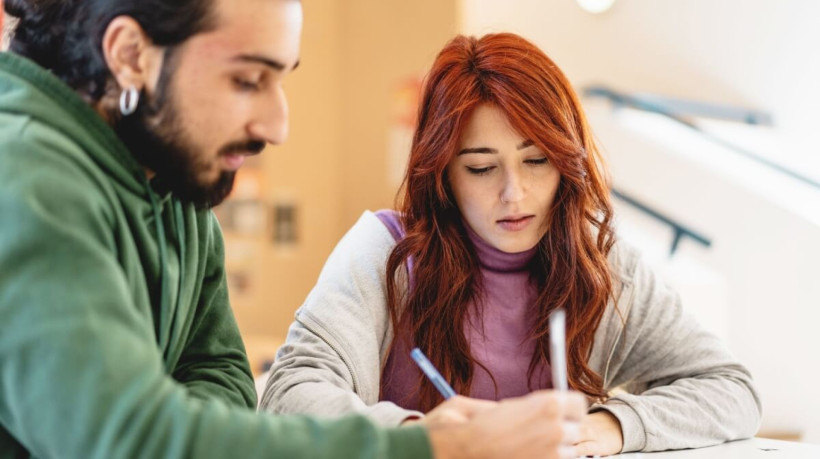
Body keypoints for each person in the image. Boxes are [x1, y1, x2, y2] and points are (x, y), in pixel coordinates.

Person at [0, 1, 587, 457]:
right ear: (130, 54)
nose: (278, 124)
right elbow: (130, 440)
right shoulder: (25, 181)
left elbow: (223, 381)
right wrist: (432, 447)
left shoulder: (173, 185)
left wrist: (186, 431)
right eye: (248, 80)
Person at [261, 32, 763, 456]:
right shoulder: (384, 254)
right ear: (443, 175)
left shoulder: (602, 265)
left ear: (567, 161)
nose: (514, 194)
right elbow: (288, 395)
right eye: (481, 168)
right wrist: (424, 440)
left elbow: (731, 390)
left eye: (537, 161)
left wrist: (607, 427)